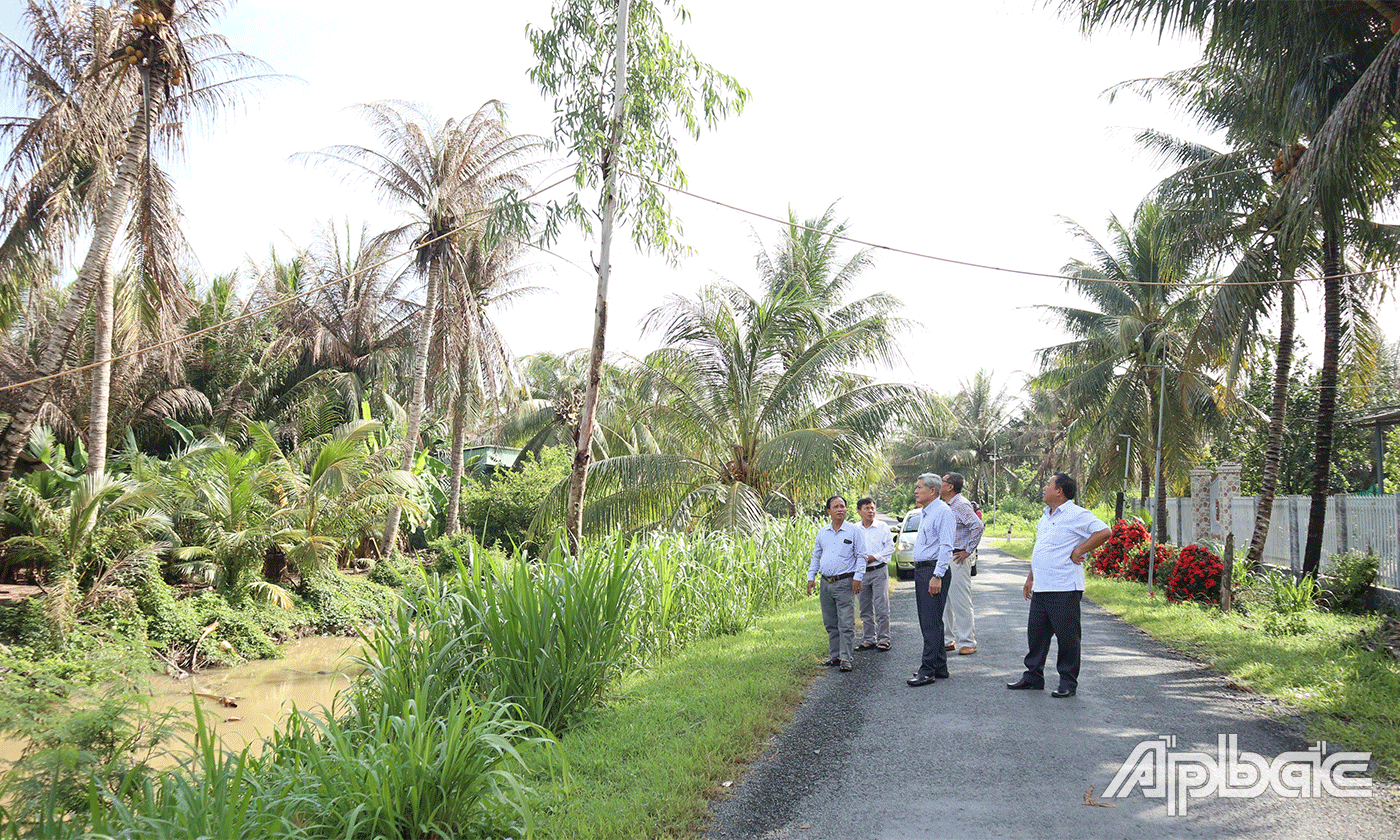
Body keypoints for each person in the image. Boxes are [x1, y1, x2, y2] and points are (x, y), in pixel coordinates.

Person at [1007, 472, 1112, 698]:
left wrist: (1080, 550)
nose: (1044, 488)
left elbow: (1105, 531)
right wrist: (1030, 577)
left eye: (1048, 484)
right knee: (1036, 635)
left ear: (1059, 491)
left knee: (1067, 637)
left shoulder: (1076, 514)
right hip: (1042, 586)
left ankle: (1067, 682)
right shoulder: (1046, 516)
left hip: (1065, 587)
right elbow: (1041, 549)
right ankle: (1033, 676)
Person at [906, 473, 954, 687]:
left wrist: (937, 575)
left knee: (929, 623)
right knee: (933, 621)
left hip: (932, 572)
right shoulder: (926, 512)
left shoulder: (942, 512)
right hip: (923, 571)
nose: (915, 491)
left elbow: (946, 546)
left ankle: (927, 670)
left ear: (932, 491)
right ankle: (940, 666)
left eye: (919, 487)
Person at [807, 495, 865, 672]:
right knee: (830, 622)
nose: (840, 509)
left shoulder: (854, 531)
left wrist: (858, 577)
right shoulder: (823, 532)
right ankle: (835, 656)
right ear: (829, 511)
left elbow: (861, 556)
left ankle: (846, 657)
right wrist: (811, 577)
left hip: (845, 582)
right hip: (826, 583)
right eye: (836, 506)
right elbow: (816, 555)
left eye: (843, 506)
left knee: (846, 622)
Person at [941, 472, 984, 656]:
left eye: (942, 481)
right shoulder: (948, 505)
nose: (939, 484)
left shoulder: (960, 504)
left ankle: (968, 641)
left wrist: (968, 550)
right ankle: (948, 640)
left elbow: (978, 526)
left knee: (960, 600)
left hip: (958, 557)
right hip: (946, 557)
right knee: (946, 601)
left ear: (950, 486)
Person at [854, 497, 894, 652]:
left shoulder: (883, 527)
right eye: (866, 508)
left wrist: (874, 557)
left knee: (881, 606)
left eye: (872, 508)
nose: (870, 511)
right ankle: (869, 639)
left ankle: (884, 639)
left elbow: (890, 548)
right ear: (859, 512)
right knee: (864, 608)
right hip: (861, 573)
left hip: (878, 571)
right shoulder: (855, 529)